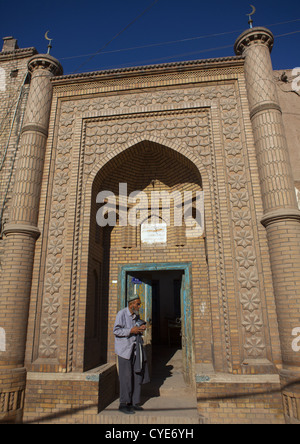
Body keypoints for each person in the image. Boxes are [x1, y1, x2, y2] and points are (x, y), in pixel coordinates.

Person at [113, 295, 150, 414]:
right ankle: (124, 403)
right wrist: (130, 330)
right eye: (138, 304)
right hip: (124, 351)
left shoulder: (136, 315)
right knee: (126, 377)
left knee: (137, 375)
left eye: (139, 304)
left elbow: (136, 327)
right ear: (131, 304)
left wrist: (140, 327)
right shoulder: (122, 314)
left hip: (135, 350)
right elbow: (116, 331)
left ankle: (135, 402)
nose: (139, 306)